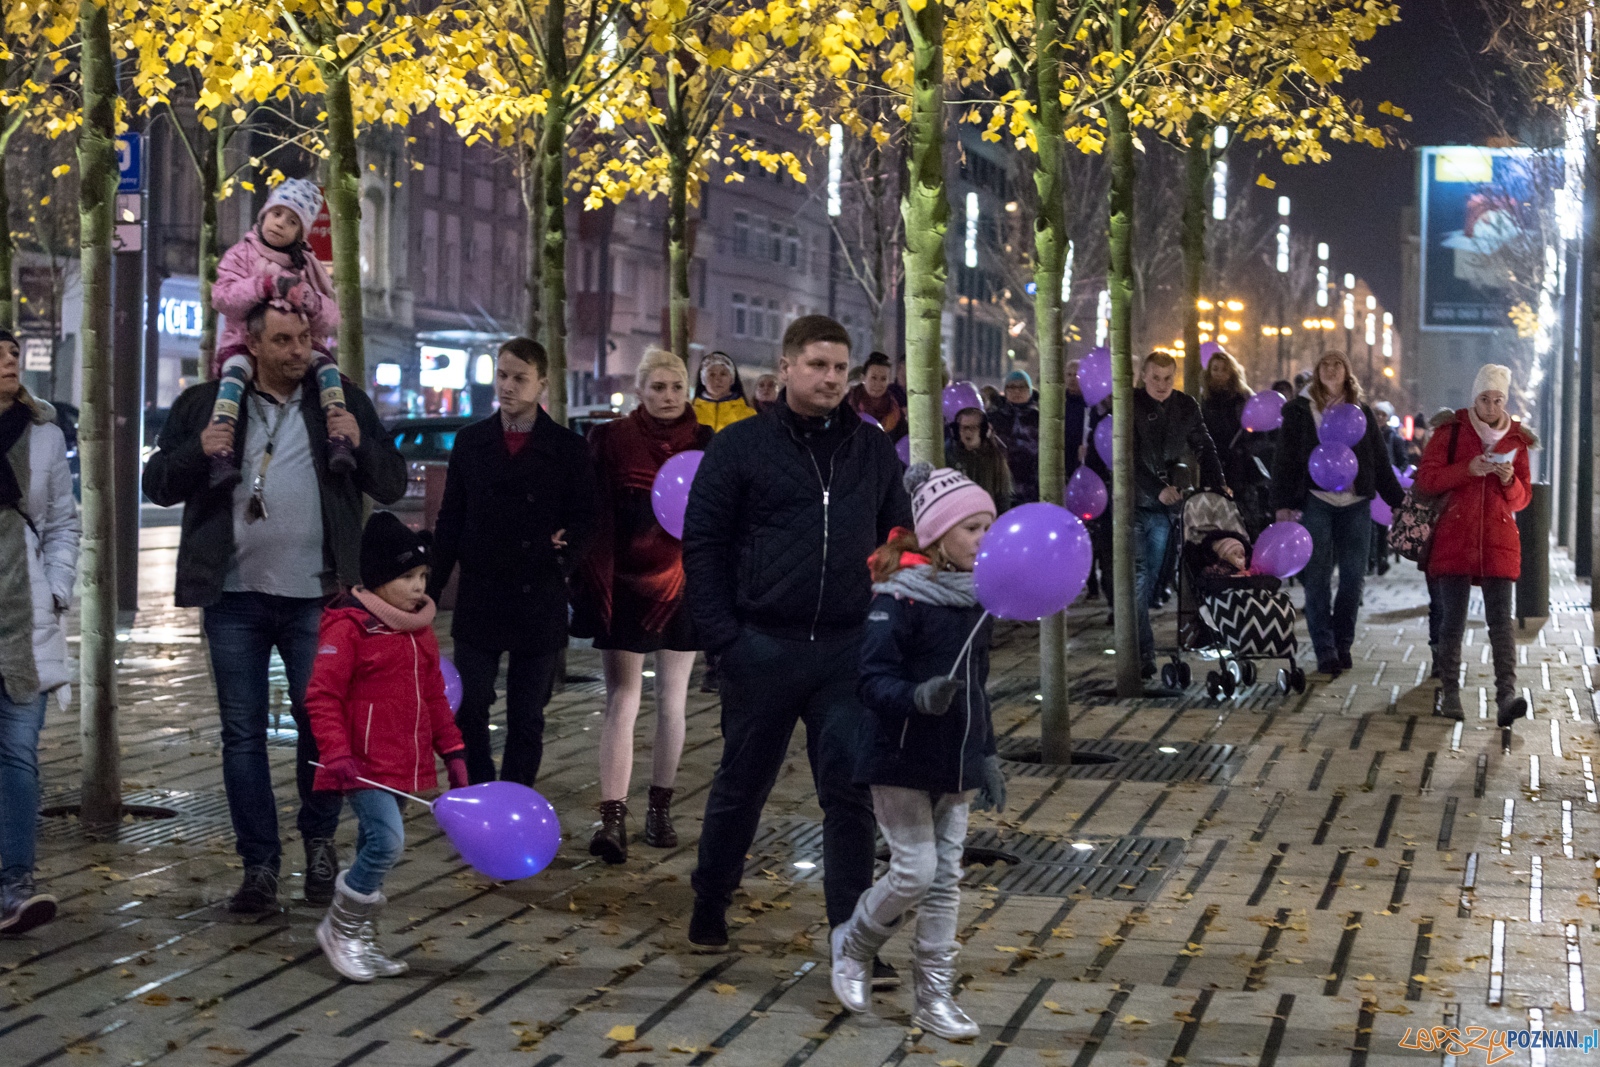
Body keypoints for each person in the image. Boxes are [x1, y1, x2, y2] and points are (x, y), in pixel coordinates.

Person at [143, 299, 406, 912]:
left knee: (321, 727)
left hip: (318, 597)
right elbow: (156, 485)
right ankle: (258, 864)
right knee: (243, 736)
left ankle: (319, 844)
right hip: (233, 598)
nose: (299, 351)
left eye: (305, 338)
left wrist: (360, 442)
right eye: (284, 341)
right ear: (253, 345)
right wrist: (196, 449)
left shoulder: (339, 401)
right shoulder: (208, 402)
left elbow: (390, 483)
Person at [682, 315, 912, 969]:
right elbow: (702, 541)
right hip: (763, 644)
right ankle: (711, 899)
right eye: (818, 364)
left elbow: (898, 530)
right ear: (785, 368)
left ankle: (853, 934)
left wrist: (890, 610)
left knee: (848, 793)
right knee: (742, 782)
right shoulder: (742, 446)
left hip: (846, 649)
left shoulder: (869, 449)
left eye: (840, 367)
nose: (832, 378)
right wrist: (724, 637)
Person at [830, 465, 1004, 1036]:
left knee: (946, 878)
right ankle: (853, 943)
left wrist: (990, 754)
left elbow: (977, 688)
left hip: (954, 759)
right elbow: (871, 681)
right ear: (935, 537)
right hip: (899, 754)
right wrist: (917, 697)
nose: (986, 538)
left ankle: (934, 997)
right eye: (973, 528)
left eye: (990, 525)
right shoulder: (898, 598)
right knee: (915, 871)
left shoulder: (979, 599)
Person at [305, 512, 468, 981]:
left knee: (378, 844)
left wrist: (452, 751)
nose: (419, 587)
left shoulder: (419, 631)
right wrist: (336, 752)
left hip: (400, 759)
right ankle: (340, 930)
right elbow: (322, 694)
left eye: (422, 577)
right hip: (360, 763)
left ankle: (358, 936)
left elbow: (435, 696)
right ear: (376, 580)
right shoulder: (350, 628)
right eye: (407, 577)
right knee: (388, 842)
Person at [429, 338, 595, 789]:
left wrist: (566, 556)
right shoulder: (471, 441)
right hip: (482, 592)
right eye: (502, 375)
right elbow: (451, 519)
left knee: (527, 712)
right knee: (472, 702)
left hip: (538, 593)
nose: (507, 386)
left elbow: (586, 517)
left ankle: (517, 793)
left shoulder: (566, 448)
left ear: (542, 384)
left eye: (519, 377)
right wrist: (429, 591)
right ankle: (480, 789)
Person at [573, 350, 712, 865]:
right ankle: (612, 817)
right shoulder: (610, 440)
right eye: (658, 387)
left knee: (673, 701)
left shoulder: (706, 443)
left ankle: (660, 808)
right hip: (625, 583)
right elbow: (595, 508)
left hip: (682, 582)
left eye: (676, 387)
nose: (669, 397)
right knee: (622, 699)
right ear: (640, 391)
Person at [0, 332, 78, 934]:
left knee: (18, 755)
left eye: (12, 351)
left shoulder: (46, 436)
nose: (9, 359)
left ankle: (15, 883)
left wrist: (55, 592)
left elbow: (62, 526)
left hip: (24, 622)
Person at [1269, 351, 1404, 678]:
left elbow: (1380, 461)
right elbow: (1284, 459)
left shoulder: (1362, 411)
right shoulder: (1300, 411)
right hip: (1316, 501)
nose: (1331, 369)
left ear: (1347, 371)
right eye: (1325, 364)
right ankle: (1324, 648)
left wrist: (1398, 501)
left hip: (1355, 504)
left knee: (1353, 578)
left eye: (1338, 364)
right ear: (1316, 372)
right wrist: (1282, 502)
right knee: (1316, 578)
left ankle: (1343, 642)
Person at [1417, 366, 1535, 726]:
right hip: (1455, 536)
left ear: (1506, 400)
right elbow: (1427, 479)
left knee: (1501, 623)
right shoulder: (1451, 429)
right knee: (1452, 620)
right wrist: (1467, 468)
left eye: (1498, 399)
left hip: (1498, 540)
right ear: (1474, 398)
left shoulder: (1517, 439)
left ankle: (1506, 698)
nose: (1491, 406)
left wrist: (1509, 479)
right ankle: (1450, 693)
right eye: (1484, 398)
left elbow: (1521, 499)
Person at [210, 180, 348, 487]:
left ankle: (339, 438)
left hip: (302, 344)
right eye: (277, 214)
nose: (280, 224)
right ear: (263, 215)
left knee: (328, 370)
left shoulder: (307, 265)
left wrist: (311, 301)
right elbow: (222, 297)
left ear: (301, 232)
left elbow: (329, 315)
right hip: (242, 342)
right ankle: (222, 452)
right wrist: (264, 285)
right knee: (233, 376)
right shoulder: (241, 254)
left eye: (292, 221)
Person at [1131, 351, 1226, 677]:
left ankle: (1140, 642)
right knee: (1138, 577)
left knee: (1154, 577)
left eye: (1168, 378)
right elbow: (1125, 457)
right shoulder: (1130, 404)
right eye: (1155, 378)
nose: (1161, 384)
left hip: (1163, 508)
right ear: (1143, 376)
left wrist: (1218, 484)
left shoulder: (1185, 406)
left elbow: (1205, 446)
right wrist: (1154, 487)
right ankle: (1143, 656)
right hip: (1134, 502)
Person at [1201, 350, 1270, 535]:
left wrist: (1242, 450)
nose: (1219, 374)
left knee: (1244, 519)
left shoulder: (1243, 399)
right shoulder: (1204, 401)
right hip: (1212, 467)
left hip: (1240, 470)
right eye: (1215, 369)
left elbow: (1260, 437)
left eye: (1224, 369)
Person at [1420, 407, 1458, 674]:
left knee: (1444, 603)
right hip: (1435, 537)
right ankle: (1440, 657)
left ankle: (1443, 657)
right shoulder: (1434, 456)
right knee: (1440, 602)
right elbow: (1426, 482)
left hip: (1451, 537)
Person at [989, 369, 1040, 505]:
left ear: (1029, 390)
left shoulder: (1039, 418)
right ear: (1005, 391)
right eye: (1011, 387)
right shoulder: (994, 418)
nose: (1016, 391)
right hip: (1002, 484)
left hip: (1032, 486)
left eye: (1022, 387)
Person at [948, 407, 1012, 512]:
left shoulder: (995, 457)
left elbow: (1003, 496)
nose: (968, 432)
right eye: (964, 427)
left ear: (983, 431)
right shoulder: (947, 453)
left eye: (973, 428)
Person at [693, 351, 758, 432]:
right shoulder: (690, 414)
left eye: (723, 374)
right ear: (703, 379)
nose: (717, 379)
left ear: (732, 379)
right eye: (712, 374)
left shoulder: (748, 416)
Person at [845, 351, 906, 438]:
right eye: (873, 378)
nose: (878, 384)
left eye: (883, 379)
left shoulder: (895, 411)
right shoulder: (846, 405)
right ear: (863, 378)